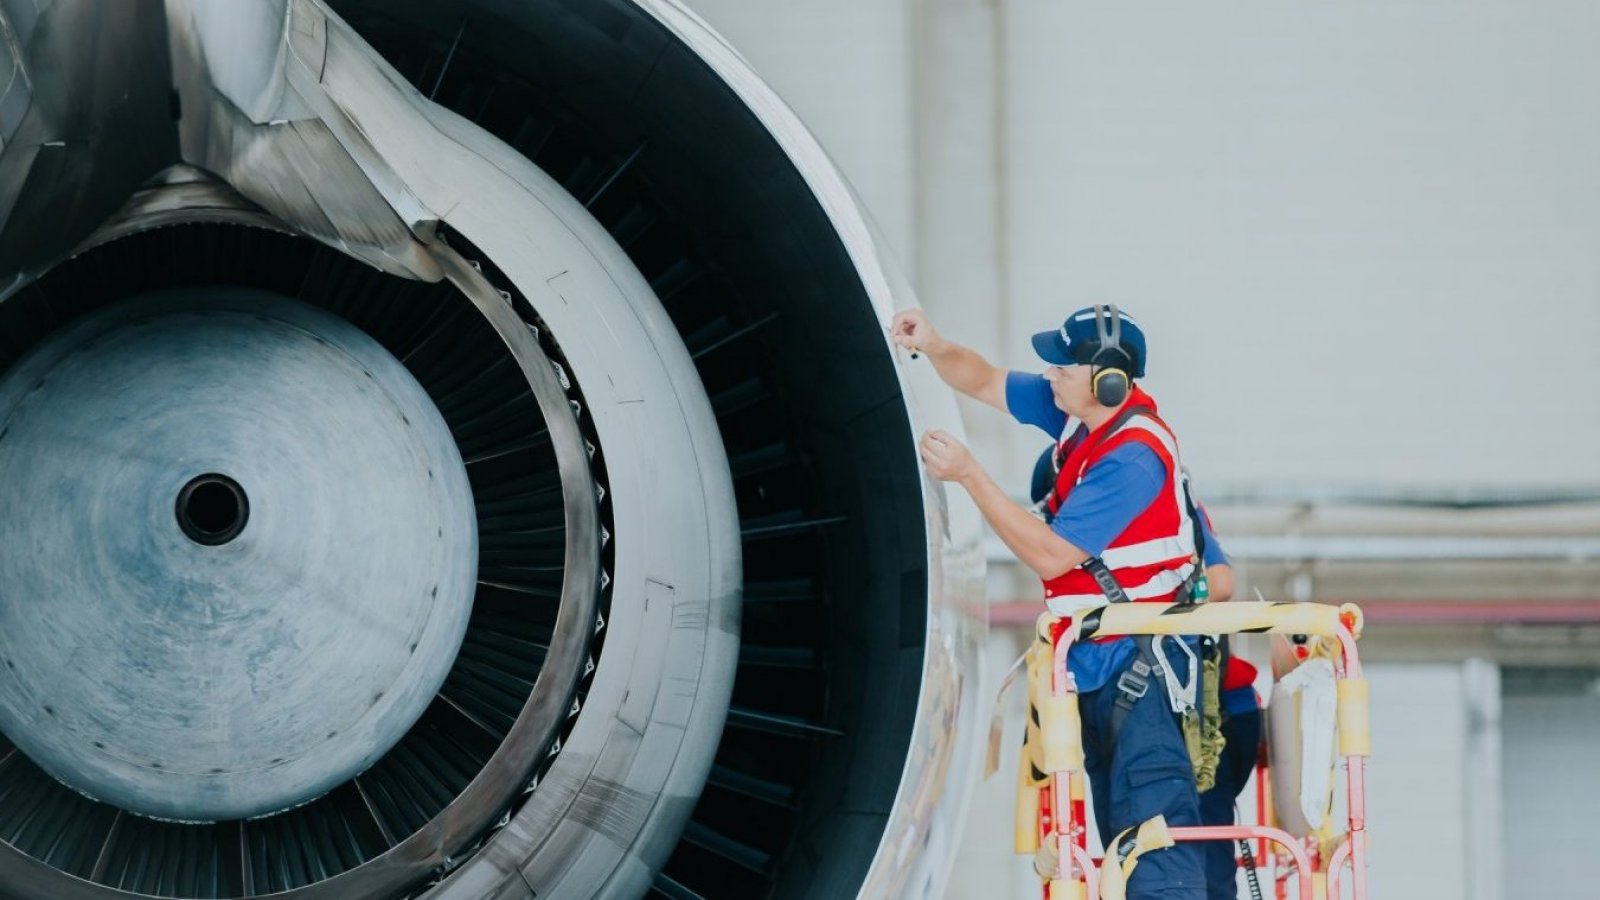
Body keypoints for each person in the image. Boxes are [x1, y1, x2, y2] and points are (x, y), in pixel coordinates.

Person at [894, 304, 1204, 899]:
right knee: (1120, 843)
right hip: (1099, 664)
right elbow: (983, 378)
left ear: (1106, 379)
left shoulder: (1134, 456)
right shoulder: (1075, 413)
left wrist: (969, 474)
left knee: (1155, 851)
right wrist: (933, 344)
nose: (1051, 375)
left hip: (1140, 674)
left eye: (1063, 366)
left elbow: (1050, 554)